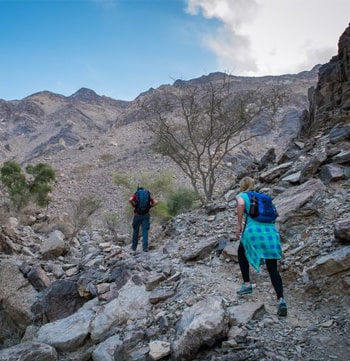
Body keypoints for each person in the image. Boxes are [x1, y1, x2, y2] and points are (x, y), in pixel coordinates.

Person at [235, 176, 287, 316]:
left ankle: (247, 284)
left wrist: (239, 225)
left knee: (241, 252)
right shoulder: (264, 197)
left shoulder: (242, 195)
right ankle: (281, 300)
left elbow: (240, 204)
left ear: (242, 186)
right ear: (253, 185)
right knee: (272, 268)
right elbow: (276, 213)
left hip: (254, 231)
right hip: (270, 232)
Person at [129, 187, 158, 253]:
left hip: (137, 215)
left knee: (135, 231)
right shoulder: (147, 194)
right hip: (146, 215)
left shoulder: (136, 194)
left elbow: (130, 200)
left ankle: (134, 248)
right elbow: (156, 202)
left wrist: (134, 205)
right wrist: (150, 206)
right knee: (145, 231)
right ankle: (145, 248)